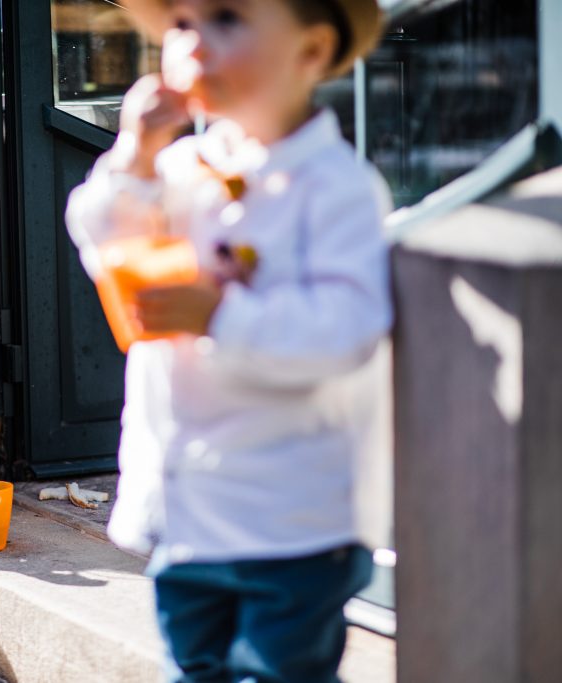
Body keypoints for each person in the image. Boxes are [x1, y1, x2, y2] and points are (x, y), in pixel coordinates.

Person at [66, 1, 392, 681]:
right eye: (181, 24)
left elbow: (346, 329)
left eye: (225, 19)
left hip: (292, 517)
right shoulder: (182, 167)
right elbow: (108, 244)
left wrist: (218, 315)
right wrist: (133, 156)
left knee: (282, 670)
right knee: (193, 667)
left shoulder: (336, 187)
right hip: (188, 509)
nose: (192, 44)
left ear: (310, 50)